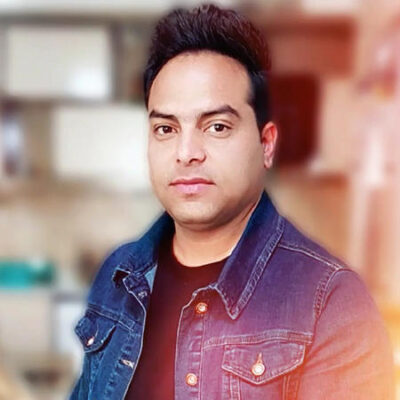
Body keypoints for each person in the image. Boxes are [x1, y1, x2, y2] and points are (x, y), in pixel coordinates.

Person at [70, 4, 394, 400]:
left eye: (217, 126)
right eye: (166, 128)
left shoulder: (332, 303)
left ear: (266, 144)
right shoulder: (119, 274)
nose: (186, 153)